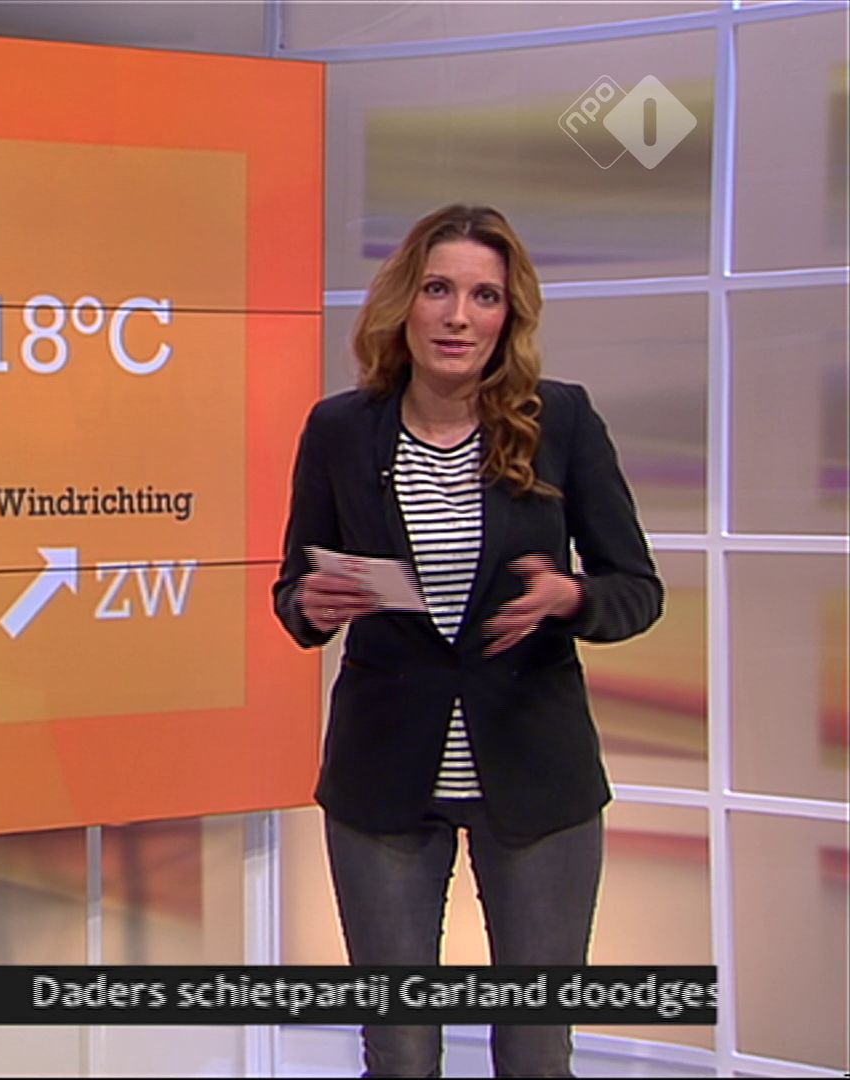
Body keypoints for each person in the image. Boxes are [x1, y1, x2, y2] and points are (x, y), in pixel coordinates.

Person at [271, 204, 663, 1078]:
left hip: (535, 776)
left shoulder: (561, 421)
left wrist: (571, 597)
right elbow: (293, 591)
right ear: (402, 305)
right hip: (383, 781)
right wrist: (312, 604)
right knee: (400, 1052)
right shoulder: (340, 430)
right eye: (438, 290)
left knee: (535, 1051)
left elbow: (637, 590)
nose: (458, 316)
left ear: (508, 315)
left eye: (484, 296)